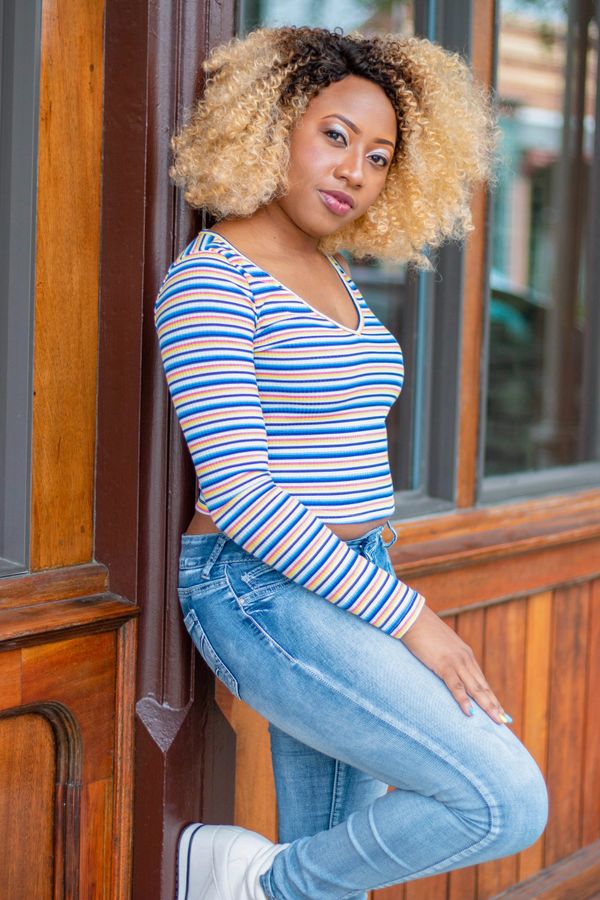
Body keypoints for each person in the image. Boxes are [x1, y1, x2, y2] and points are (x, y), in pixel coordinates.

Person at [154, 24, 548, 900]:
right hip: (259, 587)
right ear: (274, 124)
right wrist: (411, 620)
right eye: (335, 137)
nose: (354, 173)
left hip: (349, 576)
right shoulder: (214, 281)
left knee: (343, 863)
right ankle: (254, 886)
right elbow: (241, 492)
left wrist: (379, 581)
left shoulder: (333, 276)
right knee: (504, 800)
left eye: (378, 157)